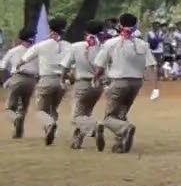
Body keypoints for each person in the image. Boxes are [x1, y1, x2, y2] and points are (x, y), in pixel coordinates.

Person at [92, 14, 160, 153]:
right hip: (135, 83)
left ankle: (125, 128)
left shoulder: (111, 43)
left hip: (118, 82)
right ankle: (120, 143)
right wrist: (155, 88)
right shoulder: (142, 44)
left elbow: (100, 66)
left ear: (120, 25)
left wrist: (96, 78)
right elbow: (151, 66)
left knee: (109, 118)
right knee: (122, 112)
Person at [21, 16, 71, 145]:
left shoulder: (42, 45)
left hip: (46, 79)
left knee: (41, 110)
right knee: (53, 108)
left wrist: (17, 66)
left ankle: (50, 124)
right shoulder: (68, 46)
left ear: (50, 28)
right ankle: (50, 129)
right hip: (62, 81)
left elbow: (25, 58)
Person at [62, 20, 105, 149]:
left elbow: (65, 66)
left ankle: (94, 127)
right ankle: (77, 140)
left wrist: (63, 79)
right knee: (85, 112)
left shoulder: (76, 46)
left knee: (76, 117)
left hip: (82, 84)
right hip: (98, 85)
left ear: (85, 31)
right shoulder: (103, 47)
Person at [2, 28, 39, 138]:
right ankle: (18, 132)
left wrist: (6, 79)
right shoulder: (36, 51)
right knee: (23, 106)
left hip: (18, 77)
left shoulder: (14, 51)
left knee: (9, 107)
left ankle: (15, 119)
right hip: (31, 80)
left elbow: (3, 66)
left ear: (20, 38)